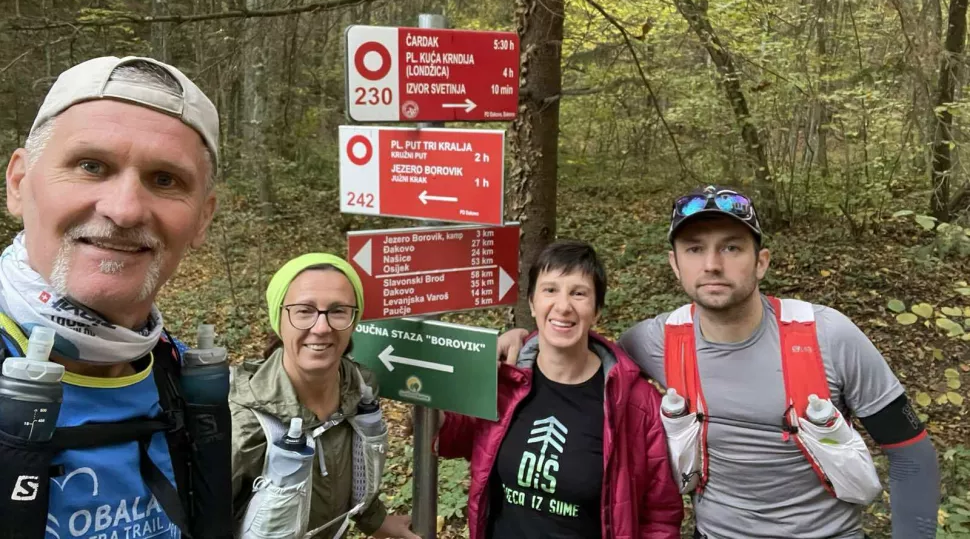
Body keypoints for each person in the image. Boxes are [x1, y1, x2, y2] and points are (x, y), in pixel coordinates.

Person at [499, 186, 940, 539]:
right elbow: (579, 350)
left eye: (731, 248)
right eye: (694, 249)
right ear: (675, 265)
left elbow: (911, 454)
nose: (712, 265)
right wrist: (525, 341)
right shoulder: (654, 341)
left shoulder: (827, 336)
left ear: (761, 262)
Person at [0, 56, 230, 538]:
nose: (125, 210)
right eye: (91, 166)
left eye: (165, 180)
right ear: (19, 183)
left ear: (202, 218)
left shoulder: (181, 379)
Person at [436, 240, 683, 539]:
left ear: (597, 310)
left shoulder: (635, 403)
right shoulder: (505, 381)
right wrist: (428, 407)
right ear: (532, 303)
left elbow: (659, 515)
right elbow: (458, 437)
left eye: (579, 293)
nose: (563, 306)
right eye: (550, 290)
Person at [230, 253, 419, 539]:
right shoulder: (240, 418)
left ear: (353, 320)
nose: (321, 328)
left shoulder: (359, 389)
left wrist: (375, 520)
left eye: (338, 311)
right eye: (304, 311)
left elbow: (357, 470)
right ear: (279, 319)